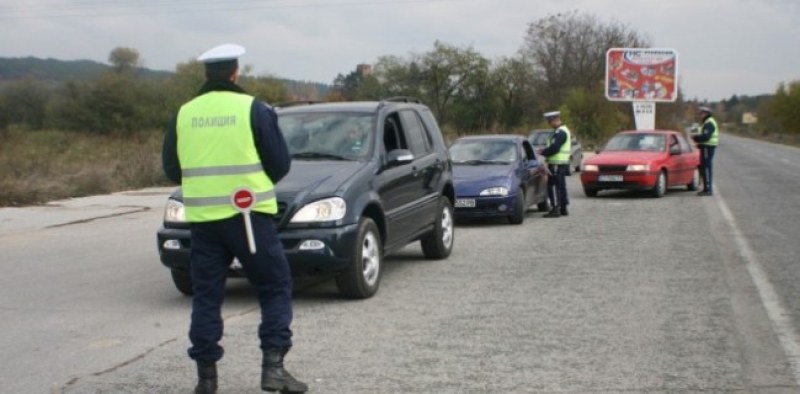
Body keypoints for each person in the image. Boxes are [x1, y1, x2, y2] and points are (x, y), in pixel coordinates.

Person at [162, 43, 308, 394]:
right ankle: (273, 369)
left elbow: (171, 168)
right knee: (274, 287)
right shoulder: (253, 108)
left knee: (207, 297)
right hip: (249, 218)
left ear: (206, 74)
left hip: (204, 221)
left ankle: (206, 380)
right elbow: (280, 161)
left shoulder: (184, 113)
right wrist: (252, 187)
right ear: (235, 72)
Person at [538, 111, 571, 218]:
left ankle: (555, 209)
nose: (549, 123)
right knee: (561, 186)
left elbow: (555, 148)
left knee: (553, 186)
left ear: (555, 120)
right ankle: (563, 208)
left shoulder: (560, 132)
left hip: (556, 163)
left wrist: (542, 152)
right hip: (561, 163)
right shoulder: (563, 130)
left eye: (549, 121)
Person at [691, 106, 719, 196]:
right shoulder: (706, 122)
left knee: (706, 167)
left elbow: (706, 137)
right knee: (704, 167)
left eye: (702, 113)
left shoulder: (709, 123)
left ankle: (708, 189)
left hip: (708, 147)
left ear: (706, 114)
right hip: (706, 147)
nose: (700, 115)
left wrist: (696, 138)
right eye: (700, 113)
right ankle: (706, 188)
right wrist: (700, 144)